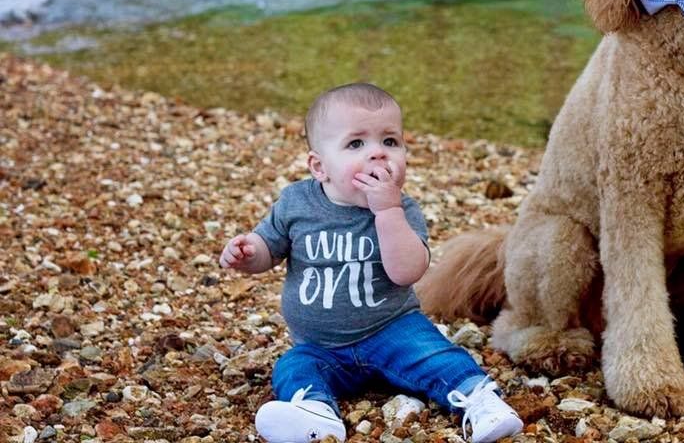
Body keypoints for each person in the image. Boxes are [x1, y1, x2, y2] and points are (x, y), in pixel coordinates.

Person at [219, 83, 523, 443]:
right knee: (293, 367)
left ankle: (481, 401)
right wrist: (249, 253)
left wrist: (387, 211)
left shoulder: (403, 209)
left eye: (390, 142)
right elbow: (269, 248)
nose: (378, 154)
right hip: (321, 345)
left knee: (437, 354)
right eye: (356, 144)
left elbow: (407, 271)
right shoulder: (296, 203)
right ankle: (315, 414)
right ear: (320, 167)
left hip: (392, 329)